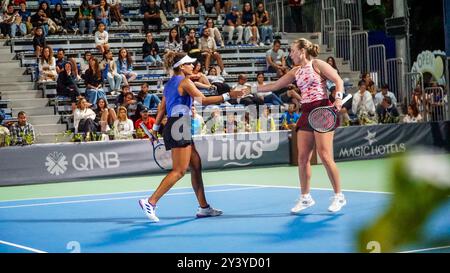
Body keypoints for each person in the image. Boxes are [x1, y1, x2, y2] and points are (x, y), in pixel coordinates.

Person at [138, 52, 243, 222]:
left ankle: (204, 208)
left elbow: (162, 108)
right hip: (180, 126)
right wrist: (228, 96)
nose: (193, 66)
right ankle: (150, 202)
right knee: (179, 171)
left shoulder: (170, 83)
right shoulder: (185, 82)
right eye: (189, 64)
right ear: (181, 67)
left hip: (175, 124)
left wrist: (155, 128)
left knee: (195, 165)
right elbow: (203, 101)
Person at [257, 38, 347, 213]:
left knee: (325, 155)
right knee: (302, 157)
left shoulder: (318, 64)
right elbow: (275, 85)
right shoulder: (295, 71)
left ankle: (339, 196)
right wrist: (251, 89)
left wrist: (337, 98)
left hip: (322, 110)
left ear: (301, 51)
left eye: (292, 50)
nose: (290, 54)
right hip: (306, 112)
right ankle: (305, 198)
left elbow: (338, 80)